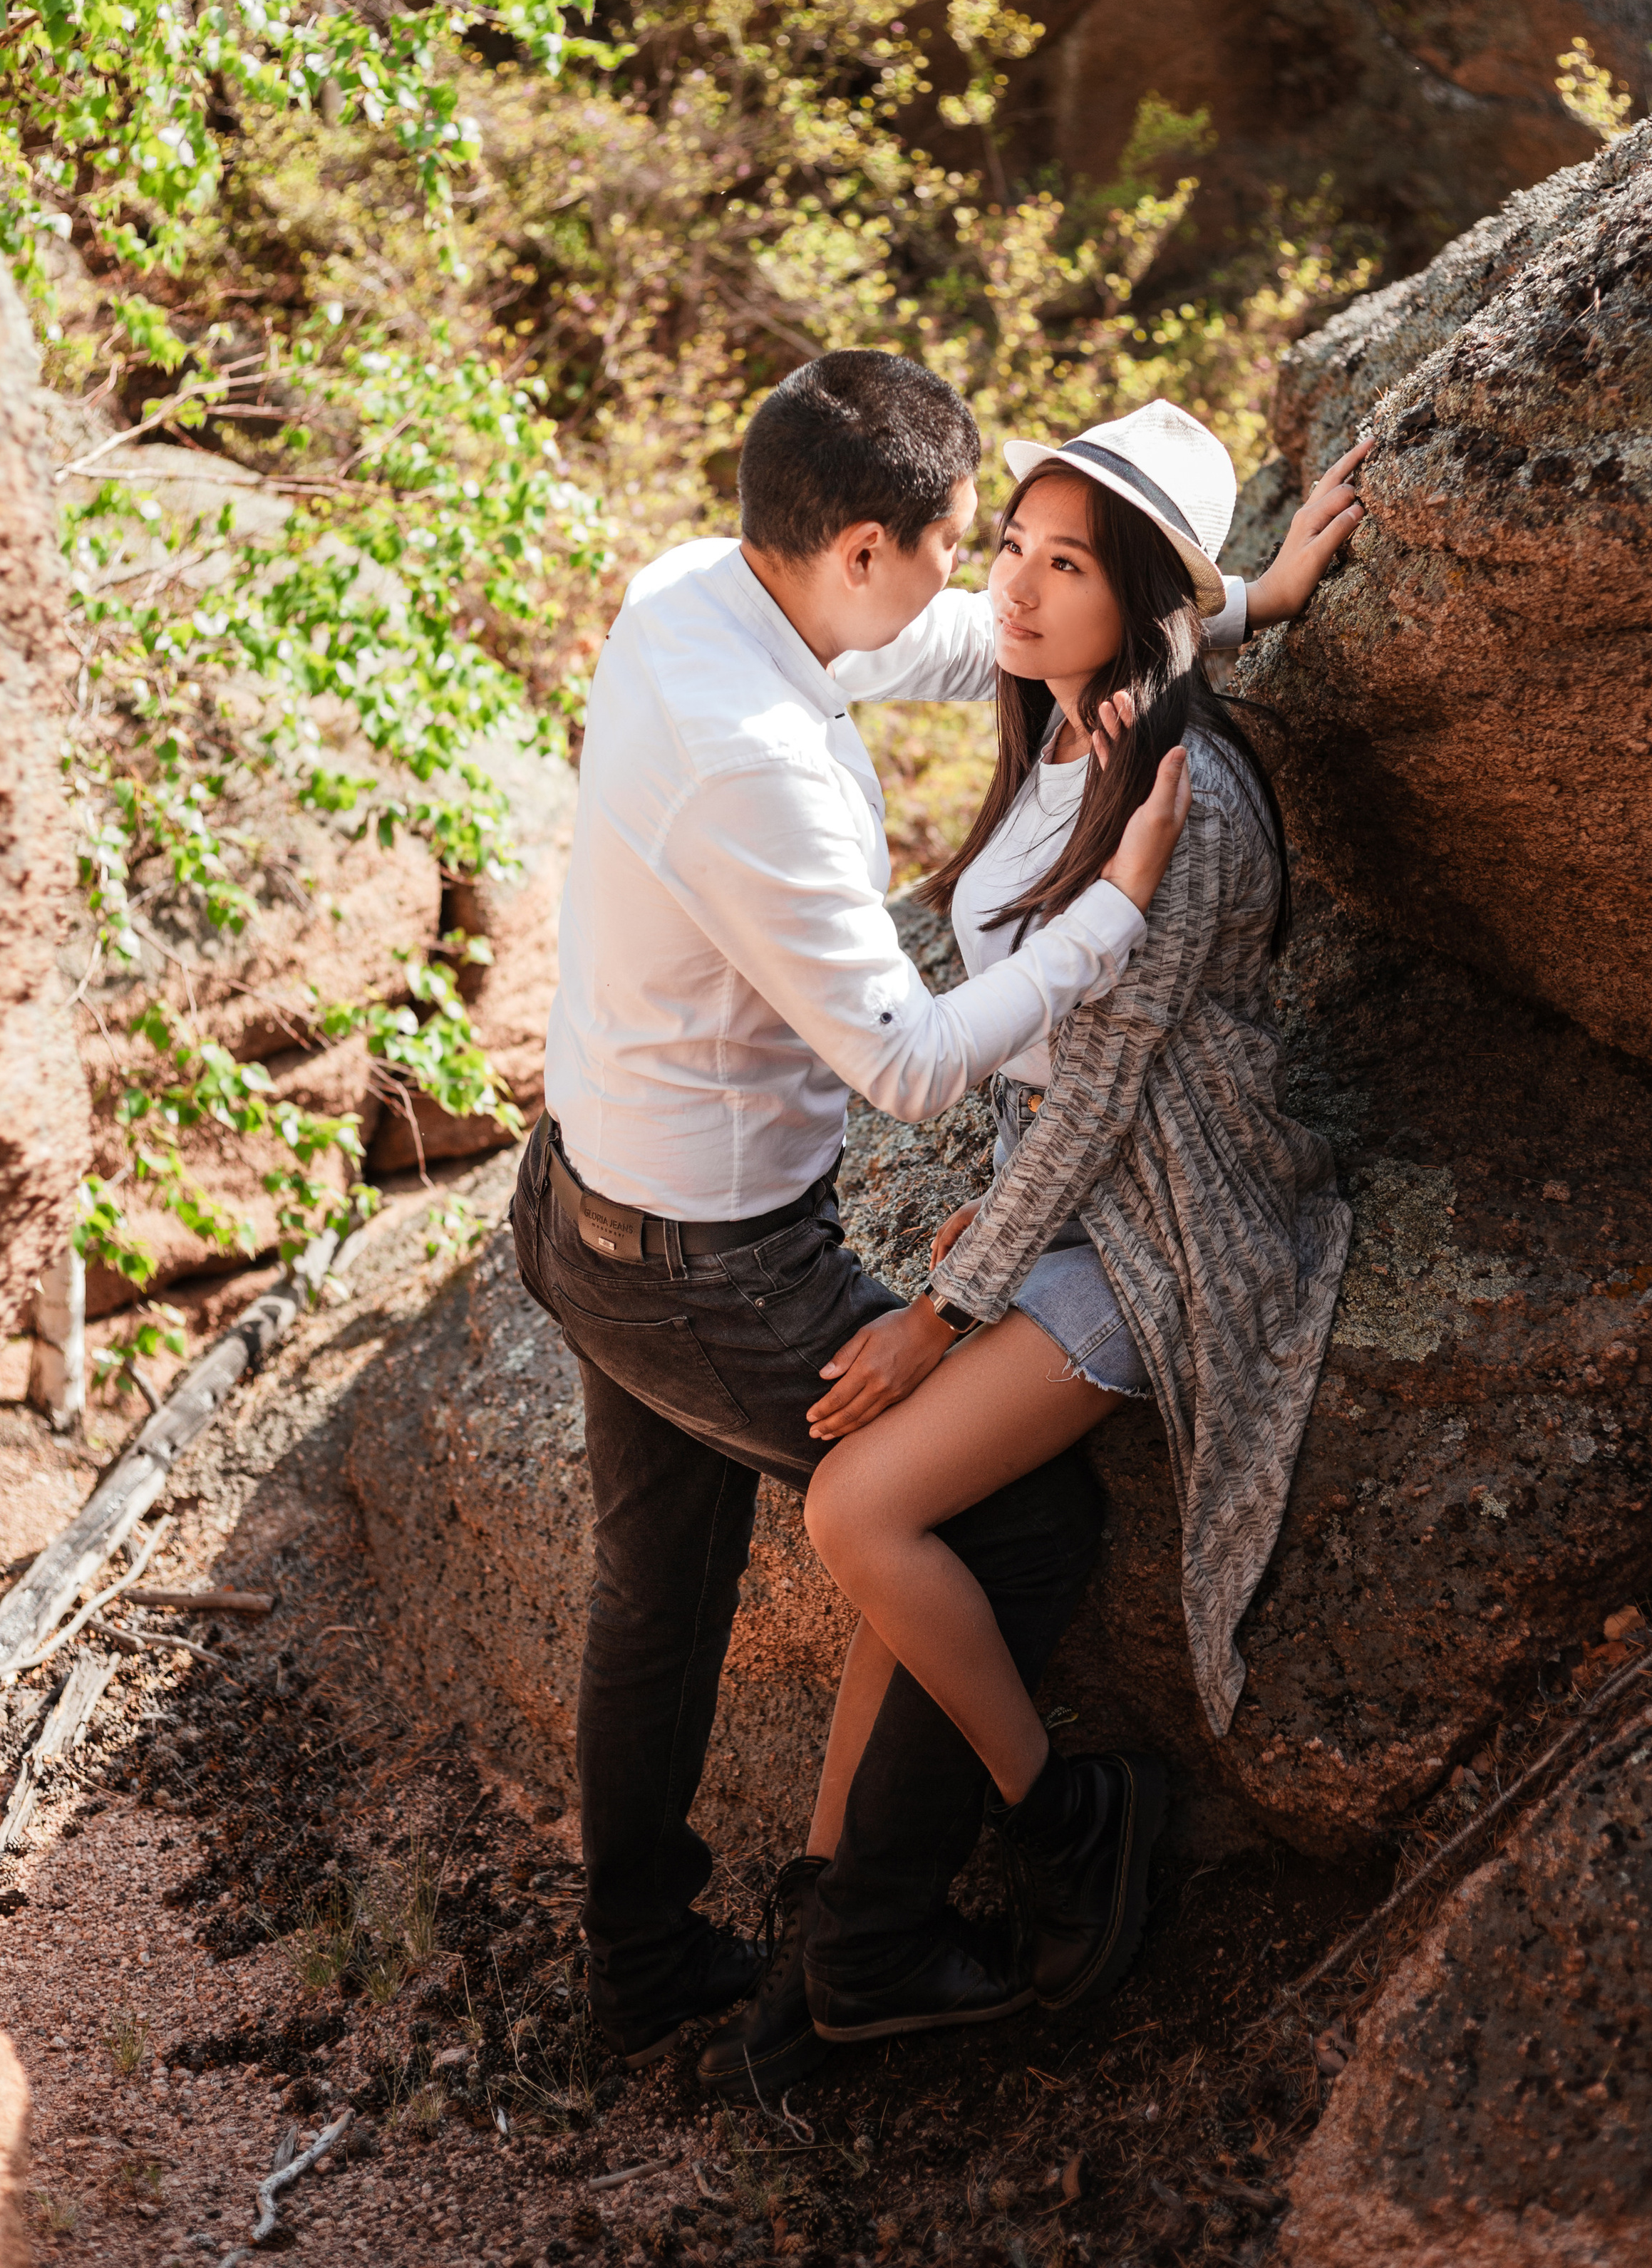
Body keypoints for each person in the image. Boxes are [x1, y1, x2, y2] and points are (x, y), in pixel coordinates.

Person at [510, 353, 1363, 2092]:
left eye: (1051, 556)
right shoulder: (766, 762)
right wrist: (1105, 905)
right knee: (961, 1528)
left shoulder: (699, 586)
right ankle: (882, 1925)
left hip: (627, 1195)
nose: (994, 587)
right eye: (982, 546)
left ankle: (748, 1947)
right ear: (858, 550)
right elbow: (907, 1066)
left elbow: (1003, 648)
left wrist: (1245, 601)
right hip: (702, 1253)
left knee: (700, 1581)